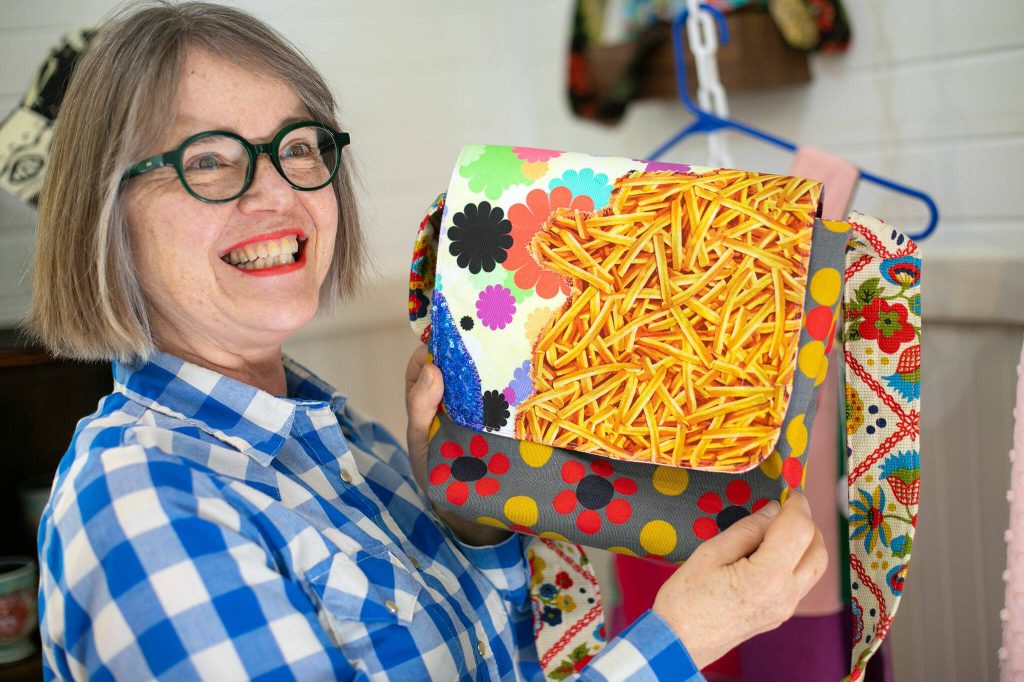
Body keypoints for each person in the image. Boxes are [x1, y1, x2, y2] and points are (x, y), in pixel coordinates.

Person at [28, 2, 828, 679]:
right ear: (107, 216)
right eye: (209, 161)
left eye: (299, 147)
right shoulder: (138, 509)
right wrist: (680, 642)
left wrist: (465, 512)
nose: (276, 192)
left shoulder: (348, 442)